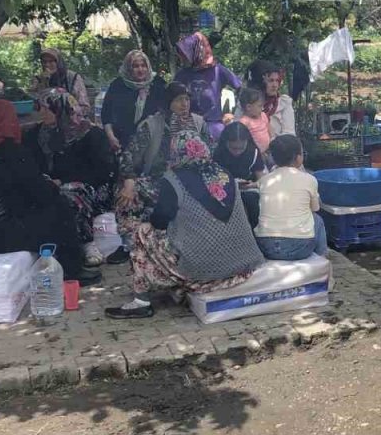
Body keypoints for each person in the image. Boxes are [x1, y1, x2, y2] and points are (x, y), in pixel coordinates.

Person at [104, 130, 262, 319]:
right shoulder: (224, 173)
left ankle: (141, 301)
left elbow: (160, 222)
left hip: (203, 272)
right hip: (241, 267)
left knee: (142, 232)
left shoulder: (174, 178)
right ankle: (174, 286)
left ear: (176, 151)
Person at [0, 100, 98, 284]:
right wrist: (52, 186)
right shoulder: (12, 152)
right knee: (59, 207)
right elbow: (41, 194)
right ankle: (71, 271)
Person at [111, 82, 211, 264]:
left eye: (187, 99)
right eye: (179, 100)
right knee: (127, 192)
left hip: (192, 184)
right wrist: (129, 180)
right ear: (167, 102)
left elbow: (210, 155)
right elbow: (129, 157)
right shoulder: (151, 125)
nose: (184, 104)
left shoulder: (198, 123)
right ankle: (131, 245)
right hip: (159, 182)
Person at [23, 88, 116, 258]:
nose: (41, 112)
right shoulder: (35, 135)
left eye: (47, 108)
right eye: (40, 107)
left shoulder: (89, 133)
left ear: (61, 109)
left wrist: (63, 180)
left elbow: (102, 169)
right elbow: (30, 164)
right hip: (49, 184)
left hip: (90, 185)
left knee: (69, 193)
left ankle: (86, 243)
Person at [253, 134, 326, 261]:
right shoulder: (309, 179)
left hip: (266, 246)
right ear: (298, 158)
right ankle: (322, 259)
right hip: (299, 247)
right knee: (317, 219)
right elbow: (315, 209)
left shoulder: (264, 181)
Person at [173, 30, 240, 138]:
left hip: (214, 126)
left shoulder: (218, 71)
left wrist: (233, 113)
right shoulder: (182, 74)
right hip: (189, 127)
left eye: (186, 53)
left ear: (196, 51)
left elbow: (241, 88)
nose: (182, 57)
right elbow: (171, 98)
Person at [100, 49, 166, 153]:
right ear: (128, 68)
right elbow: (106, 114)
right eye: (135, 66)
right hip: (120, 141)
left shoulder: (157, 84)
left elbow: (166, 111)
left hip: (151, 143)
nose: (140, 70)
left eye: (143, 65)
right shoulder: (118, 85)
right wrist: (111, 137)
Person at [250, 59, 296, 139]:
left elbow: (289, 135)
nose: (275, 85)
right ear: (261, 82)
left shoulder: (284, 103)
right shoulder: (247, 103)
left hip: (278, 148)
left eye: (277, 81)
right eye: (271, 81)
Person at [235, 86, 272, 156]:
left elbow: (269, 130)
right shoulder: (244, 122)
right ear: (248, 107)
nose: (262, 108)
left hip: (268, 151)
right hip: (254, 154)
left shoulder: (263, 115)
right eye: (259, 106)